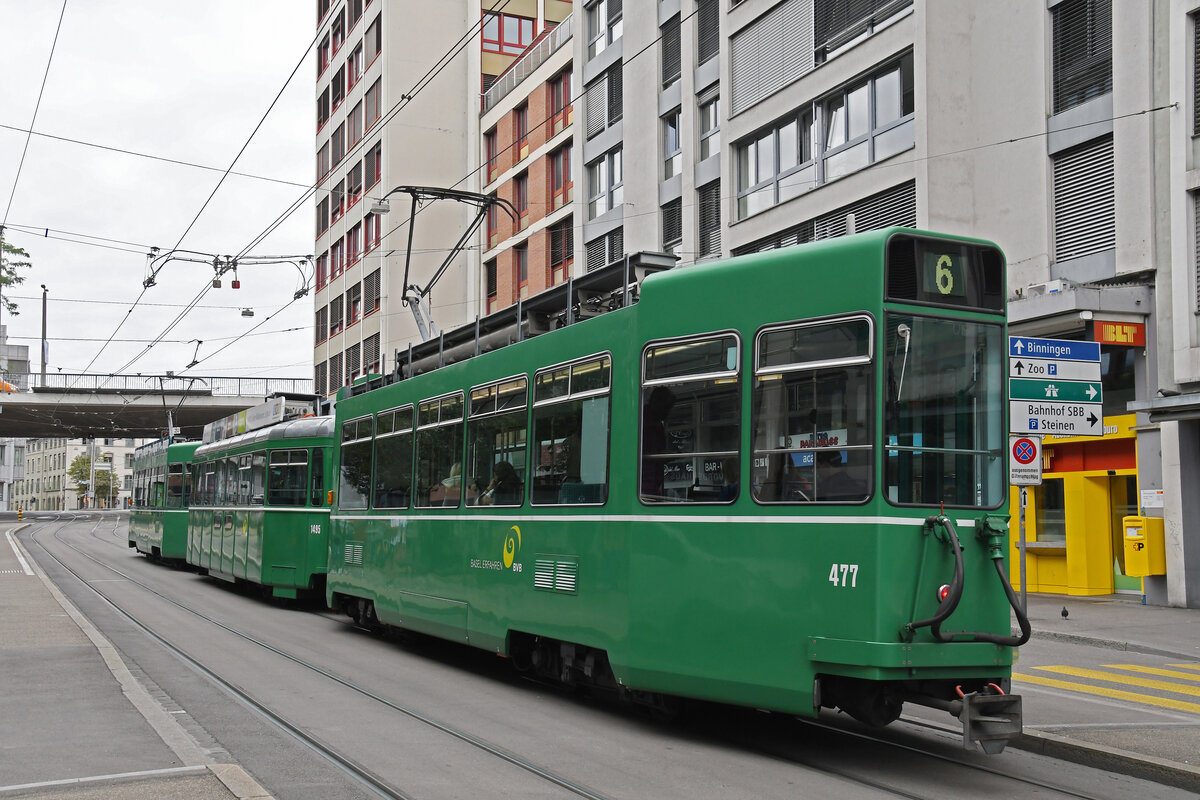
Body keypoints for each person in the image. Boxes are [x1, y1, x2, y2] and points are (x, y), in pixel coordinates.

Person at [640, 386, 675, 498]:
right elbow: (653, 454)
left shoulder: (651, 420)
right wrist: (675, 454)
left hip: (650, 480)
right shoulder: (648, 422)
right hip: (646, 479)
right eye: (667, 408)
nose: (668, 413)